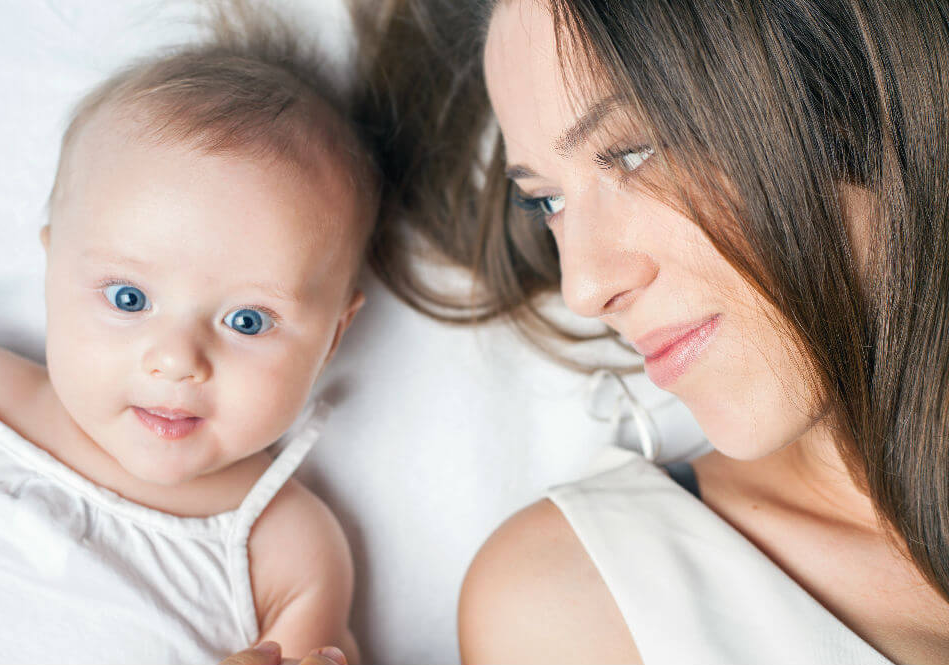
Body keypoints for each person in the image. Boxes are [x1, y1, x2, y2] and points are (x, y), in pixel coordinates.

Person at [363, 0, 949, 662]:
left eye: (632, 152)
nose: (583, 288)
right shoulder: (581, 601)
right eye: (546, 203)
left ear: (849, 79)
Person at [0, 3, 376, 663]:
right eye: (128, 297)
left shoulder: (284, 547)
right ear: (51, 266)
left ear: (333, 337)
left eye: (247, 320)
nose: (177, 360)